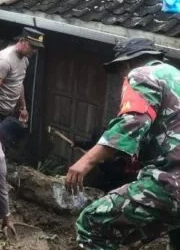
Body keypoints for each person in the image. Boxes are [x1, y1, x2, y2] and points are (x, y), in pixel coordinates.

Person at [65, 38, 180, 250]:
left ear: (126, 64)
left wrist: (85, 161)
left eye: (120, 71)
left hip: (171, 181)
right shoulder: (176, 77)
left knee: (92, 221)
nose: (121, 76)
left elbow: (133, 121)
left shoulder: (142, 74)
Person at [0, 27, 44, 199]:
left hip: (6, 110)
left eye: (37, 49)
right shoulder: (4, 60)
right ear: (21, 41)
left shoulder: (24, 60)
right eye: (32, 46)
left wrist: (23, 107)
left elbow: (18, 84)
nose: (34, 51)